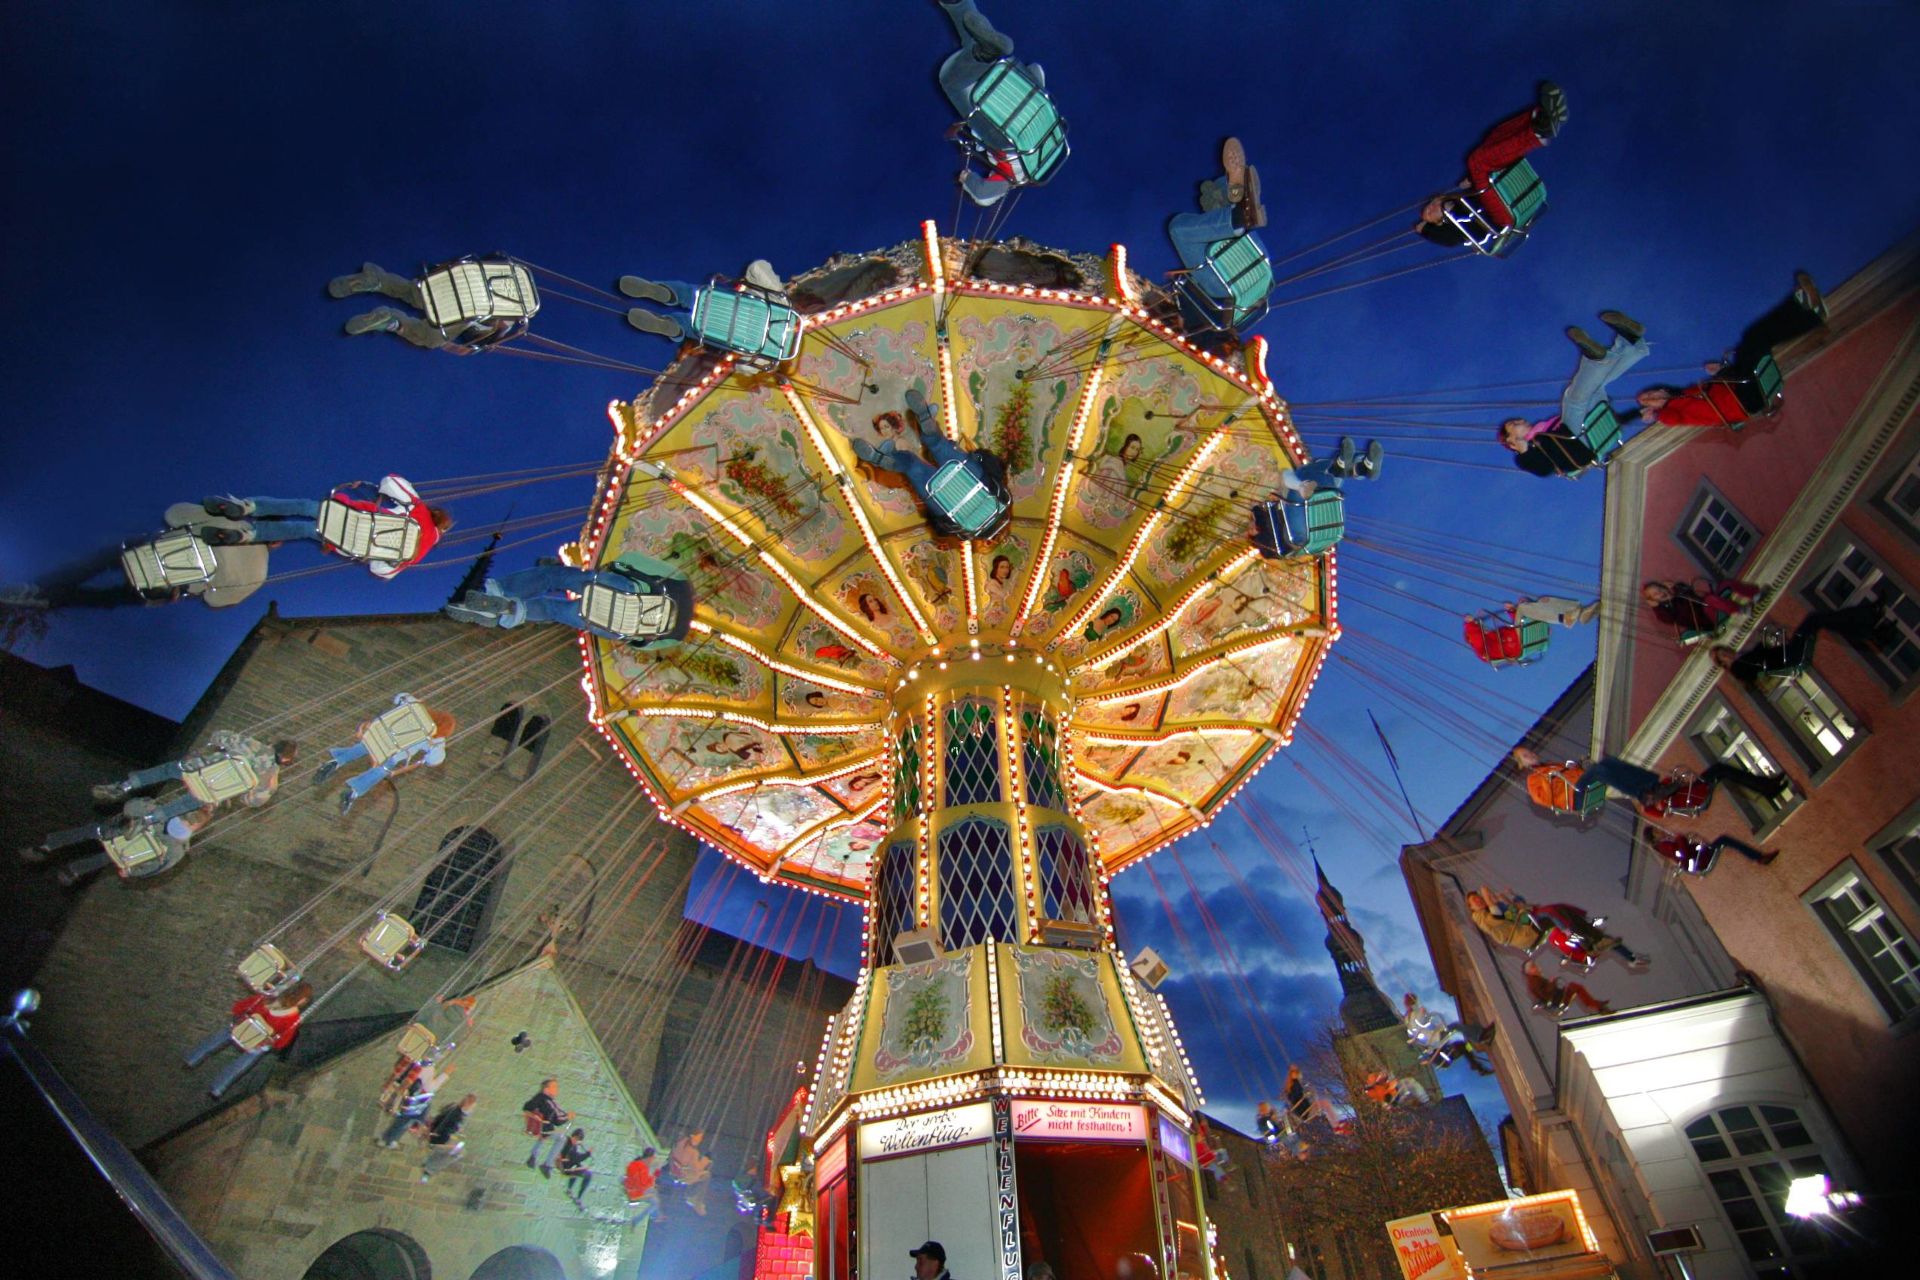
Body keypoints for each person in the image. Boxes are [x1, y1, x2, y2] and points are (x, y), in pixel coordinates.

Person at [1633, 273, 1827, 427]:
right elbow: (1672, 418)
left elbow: (1720, 390)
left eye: (1650, 394)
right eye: (1649, 401)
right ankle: (1806, 313)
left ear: (1660, 389)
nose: (1653, 398)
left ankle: (1801, 306)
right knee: (1755, 339)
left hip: (1740, 388)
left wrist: (1720, 371)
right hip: (1744, 399)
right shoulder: (1673, 412)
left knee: (1754, 336)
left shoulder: (1688, 392)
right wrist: (1656, 414)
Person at [199, 479, 451, 578]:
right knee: (302, 530)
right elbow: (381, 570)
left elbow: (390, 482)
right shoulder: (417, 556)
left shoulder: (419, 511)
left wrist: (389, 498)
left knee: (302, 506)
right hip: (345, 543)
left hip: (349, 514)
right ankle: (249, 535)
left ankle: (247, 507)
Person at [1416, 83, 1567, 248]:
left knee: (1492, 139)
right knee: (1477, 162)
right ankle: (1538, 133)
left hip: (1497, 197)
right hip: (1500, 217)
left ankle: (1539, 117)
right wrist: (1424, 229)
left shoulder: (1463, 198)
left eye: (1431, 204)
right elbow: (1448, 240)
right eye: (1431, 213)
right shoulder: (1457, 227)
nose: (1431, 207)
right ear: (1439, 222)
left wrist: (1470, 181)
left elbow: (1480, 191)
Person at [1499, 311, 1647, 477]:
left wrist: (1637, 413)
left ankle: (1632, 344)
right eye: (1514, 424)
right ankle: (1596, 360)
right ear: (1511, 441)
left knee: (1596, 386)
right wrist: (1523, 448)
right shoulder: (1526, 455)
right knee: (1572, 399)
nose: (1520, 420)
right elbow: (1543, 470)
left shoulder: (1545, 430)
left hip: (1586, 435)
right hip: (1575, 446)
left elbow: (1611, 422)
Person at [852, 388, 1010, 539]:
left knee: (940, 446)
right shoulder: (968, 531)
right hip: (948, 507)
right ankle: (886, 460)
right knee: (912, 467)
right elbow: (940, 529)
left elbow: (992, 465)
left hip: (979, 484)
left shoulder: (1002, 501)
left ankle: (927, 422)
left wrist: (978, 457)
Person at [446, 555, 694, 647]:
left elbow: (629, 562)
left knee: (555, 576)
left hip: (624, 592)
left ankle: (498, 593)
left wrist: (613, 566)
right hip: (614, 627)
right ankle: (510, 610)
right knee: (552, 610)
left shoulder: (680, 582)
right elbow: (641, 644)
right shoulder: (674, 637)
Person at [1509, 745, 1789, 816]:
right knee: (1601, 769)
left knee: (1606, 763)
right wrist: (1551, 777)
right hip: (1574, 798)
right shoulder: (1536, 781)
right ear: (1523, 764)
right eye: (1526, 755)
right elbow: (1544, 799)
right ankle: (1646, 794)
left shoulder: (1552, 765)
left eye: (1529, 750)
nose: (1531, 754)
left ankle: (1651, 786)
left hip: (1581, 786)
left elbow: (1575, 772)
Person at [1168, 138, 1268, 328]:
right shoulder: (1205, 336)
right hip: (1248, 273)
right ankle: (1236, 202)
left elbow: (1186, 316)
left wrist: (1179, 285)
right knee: (1181, 229)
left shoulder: (1190, 327)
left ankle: (1234, 199)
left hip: (1232, 286)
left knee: (1185, 228)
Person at [330, 260, 524, 353]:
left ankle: (377, 280)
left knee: (414, 293)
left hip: (462, 281)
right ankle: (393, 321)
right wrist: (486, 344)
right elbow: (471, 345)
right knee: (430, 338)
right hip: (468, 309)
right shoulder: (501, 320)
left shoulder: (512, 274)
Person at [319, 694, 455, 817]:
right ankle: (354, 790)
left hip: (379, 736)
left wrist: (412, 700)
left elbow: (400, 697)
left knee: (365, 746)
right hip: (392, 754)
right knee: (380, 771)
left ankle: (336, 761)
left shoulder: (416, 710)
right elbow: (434, 760)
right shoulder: (433, 738)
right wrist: (438, 743)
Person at [1464, 886, 1649, 970]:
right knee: (1551, 912)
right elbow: (1498, 915)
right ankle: (1573, 934)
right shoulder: (1481, 917)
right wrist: (1487, 895)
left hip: (1528, 926)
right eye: (1475, 901)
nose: (1480, 901)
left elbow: (1517, 907)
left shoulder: (1498, 911)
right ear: (1472, 907)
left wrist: (1508, 897)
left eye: (1478, 898)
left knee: (1561, 911)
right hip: (1525, 935)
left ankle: (1628, 957)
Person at [183, 981, 312, 1099]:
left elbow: (242, 1007)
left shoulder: (267, 1000)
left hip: (242, 1027)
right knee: (240, 1066)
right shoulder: (292, 1020)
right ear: (302, 1001)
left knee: (214, 1041)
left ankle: (192, 1060)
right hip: (256, 1042)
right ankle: (218, 1088)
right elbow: (282, 1041)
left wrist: (238, 1016)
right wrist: (268, 1045)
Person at [1709, 602, 1892, 684]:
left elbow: (1764, 656)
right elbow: (1757, 667)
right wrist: (1761, 646)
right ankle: (1869, 615)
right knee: (1814, 619)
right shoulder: (1738, 669)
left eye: (1725, 650)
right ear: (1723, 663)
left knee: (1818, 621)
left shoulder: (1742, 658)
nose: (1727, 654)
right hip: (1791, 657)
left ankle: (1869, 631)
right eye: (1723, 656)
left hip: (1789, 653)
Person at [618, 261, 789, 342]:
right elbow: (744, 369)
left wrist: (777, 289)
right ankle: (672, 326)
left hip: (726, 305)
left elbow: (757, 267)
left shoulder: (784, 307)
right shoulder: (769, 354)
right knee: (691, 326)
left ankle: (667, 292)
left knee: (690, 295)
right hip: (720, 331)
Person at [1642, 578, 1760, 634]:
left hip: (1711, 604)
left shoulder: (1678, 590)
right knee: (1709, 600)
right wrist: (1656, 607)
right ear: (1654, 600)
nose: (1660, 593)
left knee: (1726, 584)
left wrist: (1675, 589)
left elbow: (1694, 594)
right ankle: (1742, 610)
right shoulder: (1665, 611)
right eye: (1655, 594)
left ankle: (1756, 594)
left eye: (1659, 589)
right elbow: (1667, 619)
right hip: (1707, 620)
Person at [380, 1061, 452, 1148]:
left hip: (415, 1097)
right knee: (403, 1122)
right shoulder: (428, 1074)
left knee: (403, 1121)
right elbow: (430, 1086)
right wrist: (445, 1074)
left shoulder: (426, 1069)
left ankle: (389, 1139)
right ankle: (388, 1139)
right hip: (416, 1099)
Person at [1651, 831, 1777, 874]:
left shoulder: (1664, 846)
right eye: (1656, 831)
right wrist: (1680, 838)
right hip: (1701, 858)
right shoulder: (1665, 846)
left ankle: (1758, 857)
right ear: (1654, 837)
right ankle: (1758, 857)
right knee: (1724, 839)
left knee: (1724, 840)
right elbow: (1683, 854)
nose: (1660, 832)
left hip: (1700, 856)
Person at [1522, 958, 1610, 1017]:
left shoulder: (1534, 980)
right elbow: (1545, 993)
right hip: (1557, 999)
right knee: (1575, 987)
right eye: (1534, 967)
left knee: (1575, 987)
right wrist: (1552, 982)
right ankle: (1597, 1006)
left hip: (1556, 997)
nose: (1537, 968)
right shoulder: (1534, 981)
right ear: (1530, 971)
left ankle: (1597, 1005)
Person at [421, 1094, 478, 1181]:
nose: (472, 1110)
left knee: (453, 1150)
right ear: (467, 1104)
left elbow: (440, 1120)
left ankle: (429, 1164)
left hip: (440, 1139)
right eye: (471, 1107)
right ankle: (429, 1168)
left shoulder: (455, 1110)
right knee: (459, 1151)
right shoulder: (456, 1114)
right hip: (437, 1141)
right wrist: (430, 1136)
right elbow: (442, 1124)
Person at [523, 1078, 573, 1177]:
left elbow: (527, 1107)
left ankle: (533, 1156)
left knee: (544, 1135)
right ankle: (547, 1164)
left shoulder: (537, 1098)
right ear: (546, 1089)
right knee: (561, 1138)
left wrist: (534, 1117)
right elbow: (557, 1120)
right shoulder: (548, 1101)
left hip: (538, 1129)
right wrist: (568, 1116)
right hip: (544, 1129)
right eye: (554, 1087)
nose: (556, 1089)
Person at [670, 1130, 714, 1214]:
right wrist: (706, 1161)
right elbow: (696, 1169)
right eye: (699, 1137)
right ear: (692, 1136)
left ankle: (691, 1195)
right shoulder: (693, 1152)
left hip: (675, 1172)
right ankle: (696, 1199)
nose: (700, 1140)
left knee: (698, 1175)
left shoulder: (679, 1145)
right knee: (706, 1175)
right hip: (684, 1175)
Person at [624, 1147, 662, 1227]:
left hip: (632, 1187)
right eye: (653, 1158)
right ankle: (637, 1219)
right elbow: (643, 1184)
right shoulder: (641, 1167)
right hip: (635, 1192)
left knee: (654, 1193)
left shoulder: (636, 1163)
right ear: (650, 1157)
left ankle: (656, 1215)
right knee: (655, 1201)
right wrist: (654, 1176)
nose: (653, 1160)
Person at [556, 1128, 594, 1206]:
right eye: (578, 1140)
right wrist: (588, 1153)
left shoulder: (569, 1143)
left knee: (579, 1166)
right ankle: (579, 1198)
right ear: (576, 1137)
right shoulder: (570, 1146)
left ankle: (569, 1189)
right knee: (589, 1175)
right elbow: (577, 1158)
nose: (578, 1142)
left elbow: (574, 1159)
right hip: (566, 1168)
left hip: (567, 1165)